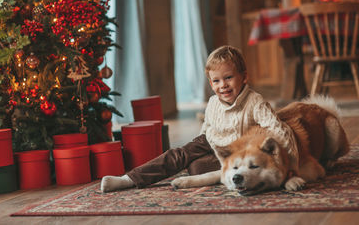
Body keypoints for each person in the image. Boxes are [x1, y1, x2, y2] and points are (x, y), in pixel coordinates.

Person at [101, 45, 298, 192]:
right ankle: (129, 179)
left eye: (229, 78)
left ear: (244, 77)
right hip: (209, 141)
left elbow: (280, 130)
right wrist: (196, 145)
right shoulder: (213, 102)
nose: (223, 85)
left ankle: (208, 171)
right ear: (211, 83)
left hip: (235, 149)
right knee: (178, 155)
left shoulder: (255, 102)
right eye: (216, 81)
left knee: (196, 168)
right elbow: (208, 125)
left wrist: (290, 166)